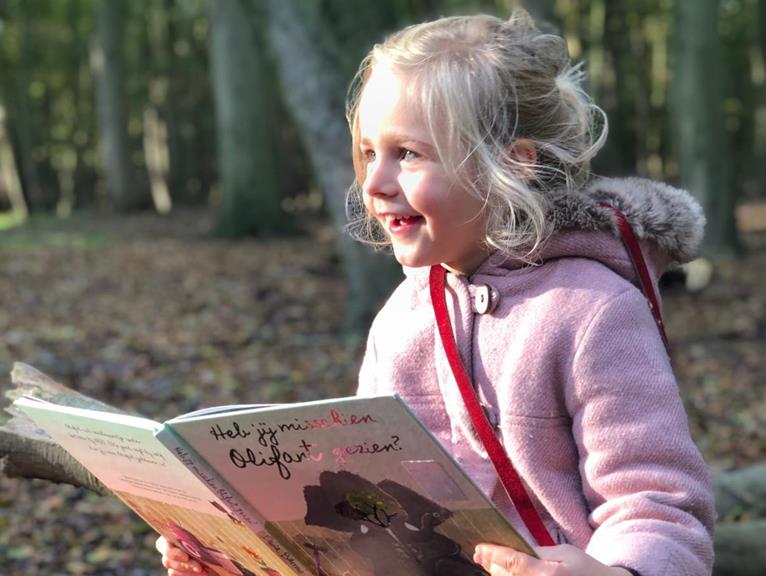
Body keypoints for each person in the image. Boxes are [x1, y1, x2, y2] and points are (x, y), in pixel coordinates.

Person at [158, 10, 715, 576]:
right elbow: (368, 521)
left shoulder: (592, 311)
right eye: (370, 152)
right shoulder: (401, 319)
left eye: (409, 153)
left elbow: (659, 510)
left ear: (513, 164)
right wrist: (255, 562)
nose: (374, 182)